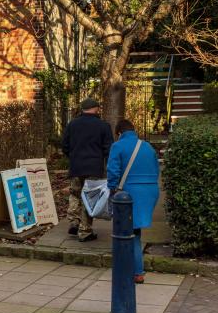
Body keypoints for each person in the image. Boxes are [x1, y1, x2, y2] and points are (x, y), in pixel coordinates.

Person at [107, 119, 160, 284]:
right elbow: (156, 169)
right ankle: (132, 267)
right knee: (134, 229)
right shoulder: (148, 146)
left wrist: (112, 188)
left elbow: (113, 171)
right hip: (150, 191)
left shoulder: (117, 146)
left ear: (119, 133)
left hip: (130, 192)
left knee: (130, 232)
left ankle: (136, 271)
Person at [61, 97, 113, 242]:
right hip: (94, 168)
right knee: (89, 197)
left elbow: (64, 145)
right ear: (96, 108)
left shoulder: (72, 124)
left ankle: (74, 221)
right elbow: (109, 149)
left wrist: (73, 156)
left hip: (76, 166)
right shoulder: (103, 126)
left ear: (83, 109)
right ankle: (85, 231)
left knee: (75, 193)